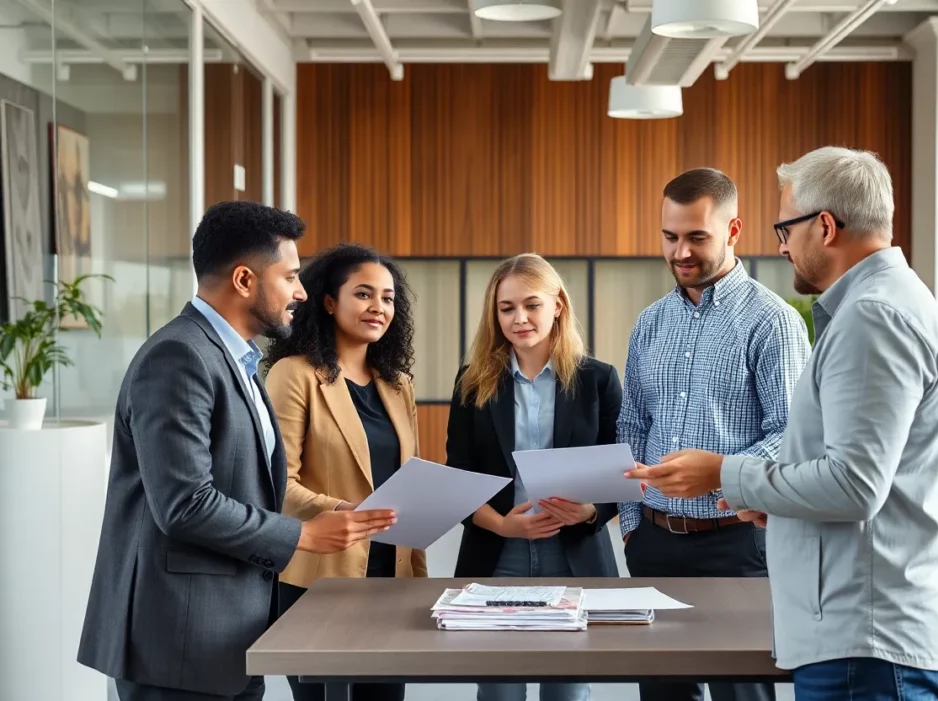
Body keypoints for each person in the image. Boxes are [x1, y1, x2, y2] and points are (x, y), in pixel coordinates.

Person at [627, 147, 938, 701]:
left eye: (785, 228)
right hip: (859, 623)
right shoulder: (883, 305)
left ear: (825, 226)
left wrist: (724, 475)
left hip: (863, 632)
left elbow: (854, 484)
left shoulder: (872, 316)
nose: (782, 245)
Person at [77, 202, 398, 701]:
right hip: (179, 642)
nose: (301, 292)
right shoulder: (179, 356)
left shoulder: (238, 360)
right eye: (289, 276)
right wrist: (304, 534)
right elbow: (184, 505)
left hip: (234, 634)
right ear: (245, 279)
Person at [616, 168, 810, 701]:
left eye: (697, 237)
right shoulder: (650, 323)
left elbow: (793, 434)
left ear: (733, 230)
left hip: (737, 546)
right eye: (670, 236)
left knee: (741, 694)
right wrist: (632, 527)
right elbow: (632, 424)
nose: (680, 252)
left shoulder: (772, 322)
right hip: (653, 544)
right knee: (663, 695)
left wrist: (721, 475)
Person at [446, 253, 622, 701]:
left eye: (532, 305)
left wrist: (590, 511)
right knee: (499, 690)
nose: (519, 318)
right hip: (497, 552)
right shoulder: (472, 382)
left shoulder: (597, 380)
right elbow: (458, 476)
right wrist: (502, 524)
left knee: (567, 690)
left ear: (557, 305)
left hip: (572, 553)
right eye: (506, 308)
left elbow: (621, 471)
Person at [263, 243, 426, 701]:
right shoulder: (293, 374)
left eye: (388, 298)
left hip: (392, 580)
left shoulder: (398, 385)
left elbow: (408, 479)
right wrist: (342, 510)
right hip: (320, 579)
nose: (379, 307)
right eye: (364, 294)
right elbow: (276, 485)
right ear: (329, 302)